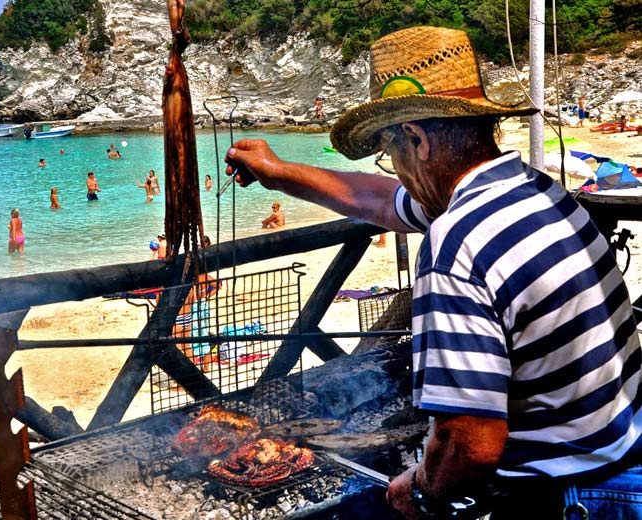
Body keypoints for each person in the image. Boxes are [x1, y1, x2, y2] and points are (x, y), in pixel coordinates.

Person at [224, 26, 642, 519]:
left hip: (571, 496)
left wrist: (420, 491)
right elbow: (376, 198)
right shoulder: (530, 189)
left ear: (417, 140)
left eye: (389, 153)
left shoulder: (459, 239)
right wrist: (279, 170)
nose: (392, 170)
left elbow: (472, 442)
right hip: (622, 457)